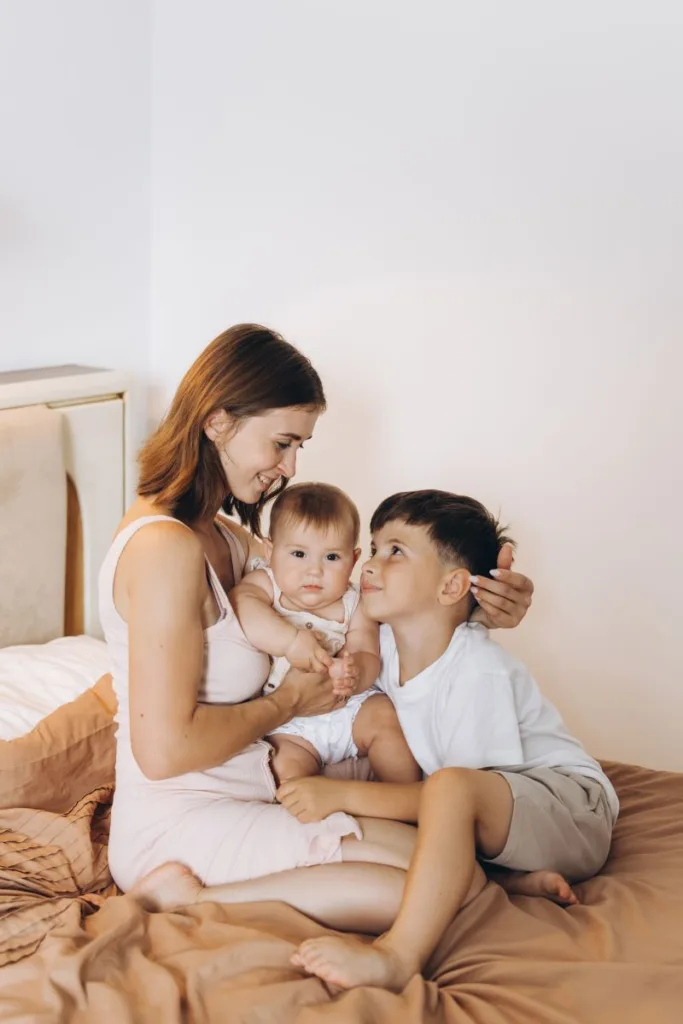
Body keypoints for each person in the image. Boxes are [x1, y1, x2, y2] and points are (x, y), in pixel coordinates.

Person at [103, 323, 533, 937]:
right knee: (439, 894)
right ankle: (185, 901)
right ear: (218, 421)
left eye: (299, 447)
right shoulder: (163, 549)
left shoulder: (226, 537)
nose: (289, 467)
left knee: (454, 874)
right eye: (282, 443)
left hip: (253, 787)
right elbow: (164, 751)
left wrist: (476, 607)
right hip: (179, 822)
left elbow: (335, 601)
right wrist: (288, 702)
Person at [282, 490, 619, 990]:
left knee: (449, 789)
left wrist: (341, 794)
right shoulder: (384, 651)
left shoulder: (476, 669)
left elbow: (456, 794)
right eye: (373, 549)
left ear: (452, 586)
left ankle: (397, 956)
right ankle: (505, 880)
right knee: (435, 790)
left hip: (573, 806)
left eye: (395, 551)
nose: (370, 564)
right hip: (509, 816)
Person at [230, 481, 421, 785]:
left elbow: (366, 650)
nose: (314, 571)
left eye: (331, 557)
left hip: (349, 707)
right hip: (290, 724)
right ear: (270, 551)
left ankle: (403, 795)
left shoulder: (354, 601)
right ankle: (319, 802)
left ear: (353, 560)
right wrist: (290, 641)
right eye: (299, 554)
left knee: (386, 720)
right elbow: (242, 606)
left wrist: (356, 674)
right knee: (282, 769)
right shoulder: (266, 584)